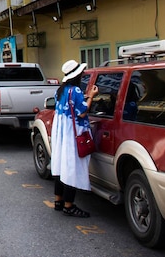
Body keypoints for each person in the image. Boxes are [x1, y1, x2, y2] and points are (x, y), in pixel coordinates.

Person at [51, 59, 98, 217]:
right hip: (73, 133)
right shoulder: (76, 91)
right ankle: (69, 205)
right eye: (82, 73)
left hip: (62, 134)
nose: (83, 75)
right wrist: (91, 96)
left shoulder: (61, 90)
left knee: (60, 166)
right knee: (72, 167)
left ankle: (58, 200)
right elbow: (83, 112)